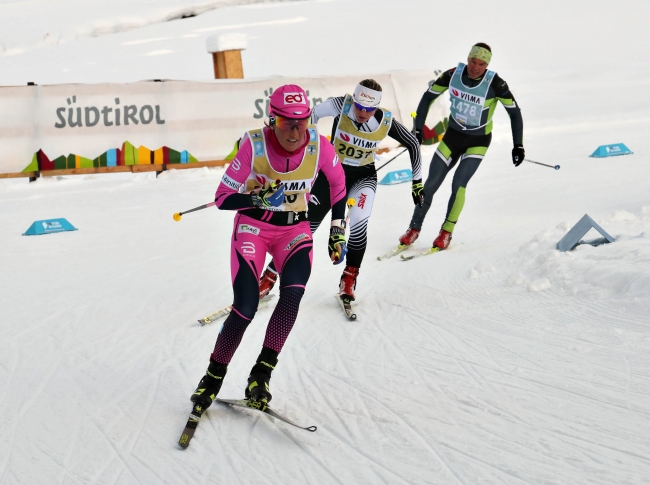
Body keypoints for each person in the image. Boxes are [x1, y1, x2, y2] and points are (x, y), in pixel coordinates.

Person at [190, 85, 347, 409]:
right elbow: (222, 198)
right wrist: (255, 198)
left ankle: (261, 374)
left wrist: (336, 229)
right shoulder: (254, 145)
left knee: (292, 295)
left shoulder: (320, 146)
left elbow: (338, 185)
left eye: (301, 122)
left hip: (294, 230)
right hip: (254, 229)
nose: (294, 131)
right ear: (271, 120)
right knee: (245, 307)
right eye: (285, 122)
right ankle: (213, 376)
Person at [259, 79, 423, 302]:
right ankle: (269, 276)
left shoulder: (384, 120)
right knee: (305, 228)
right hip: (330, 176)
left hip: (362, 179)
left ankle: (349, 278)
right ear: (353, 100)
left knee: (358, 224)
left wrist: (417, 182)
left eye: (369, 109)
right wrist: (308, 142)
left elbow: (413, 144)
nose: (363, 113)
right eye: (359, 107)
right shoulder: (341, 105)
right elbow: (312, 115)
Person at [398, 43, 524, 250]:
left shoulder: (496, 84)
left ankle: (446, 232)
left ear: (487, 65)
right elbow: (428, 97)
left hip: (477, 142)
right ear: (468, 59)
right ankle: (414, 229)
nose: (476, 67)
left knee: (458, 184)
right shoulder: (452, 75)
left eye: (482, 63)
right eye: (473, 61)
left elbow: (515, 113)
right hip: (452, 137)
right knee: (430, 184)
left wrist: (518, 145)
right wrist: (418, 128)